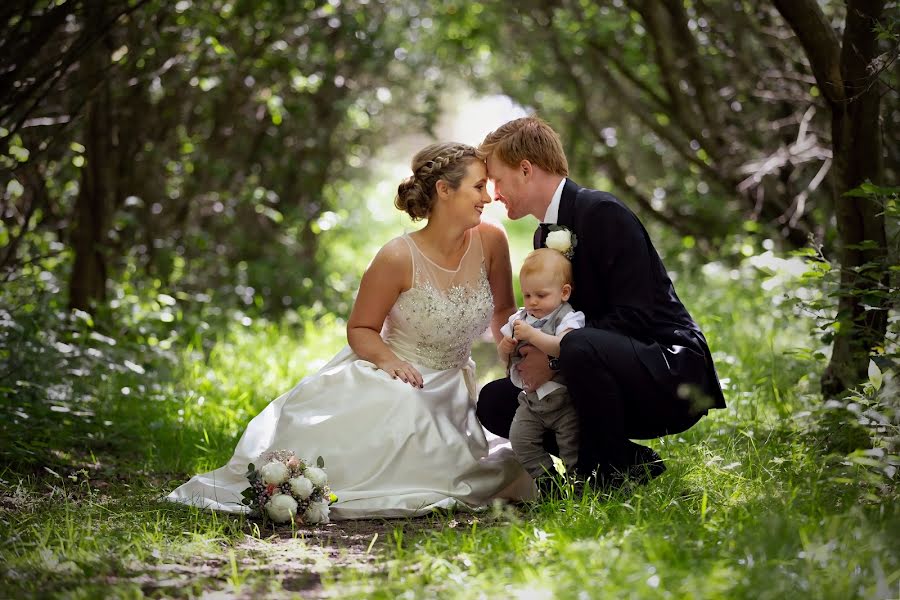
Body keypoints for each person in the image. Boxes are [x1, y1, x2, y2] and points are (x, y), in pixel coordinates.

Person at [166, 142, 535, 519]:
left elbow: (503, 310)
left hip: (455, 385)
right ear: (444, 189)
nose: (487, 197)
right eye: (478, 187)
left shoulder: (491, 241)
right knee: (409, 412)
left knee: (499, 459)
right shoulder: (397, 257)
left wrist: (513, 344)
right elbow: (360, 327)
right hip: (400, 375)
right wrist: (391, 363)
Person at [476, 116, 727, 489]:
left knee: (577, 345)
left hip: (667, 371)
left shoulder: (603, 213)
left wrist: (555, 354)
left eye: (496, 179)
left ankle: (597, 476)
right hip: (592, 369)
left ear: (526, 169)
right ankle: (630, 463)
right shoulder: (544, 235)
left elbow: (636, 316)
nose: (494, 193)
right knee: (495, 401)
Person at [498, 248, 585, 486]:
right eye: (527, 295)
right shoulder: (520, 319)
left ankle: (577, 486)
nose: (532, 302)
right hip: (532, 401)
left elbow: (563, 348)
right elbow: (503, 357)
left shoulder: (569, 318)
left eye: (541, 295)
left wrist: (532, 335)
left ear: (564, 292)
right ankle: (548, 482)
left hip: (565, 401)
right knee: (521, 439)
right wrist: (505, 347)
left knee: (572, 447)